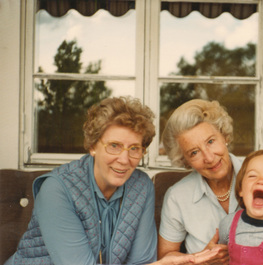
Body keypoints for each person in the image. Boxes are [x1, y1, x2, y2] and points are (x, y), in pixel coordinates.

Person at [5, 96, 219, 265]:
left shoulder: (141, 186)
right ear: (92, 146)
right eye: (114, 146)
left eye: (134, 148)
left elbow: (141, 261)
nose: (124, 160)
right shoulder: (56, 189)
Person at [159, 99, 263, 265]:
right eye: (194, 152)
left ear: (224, 136)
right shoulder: (177, 196)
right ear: (185, 161)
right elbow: (165, 257)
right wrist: (201, 259)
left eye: (211, 141)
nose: (209, 157)